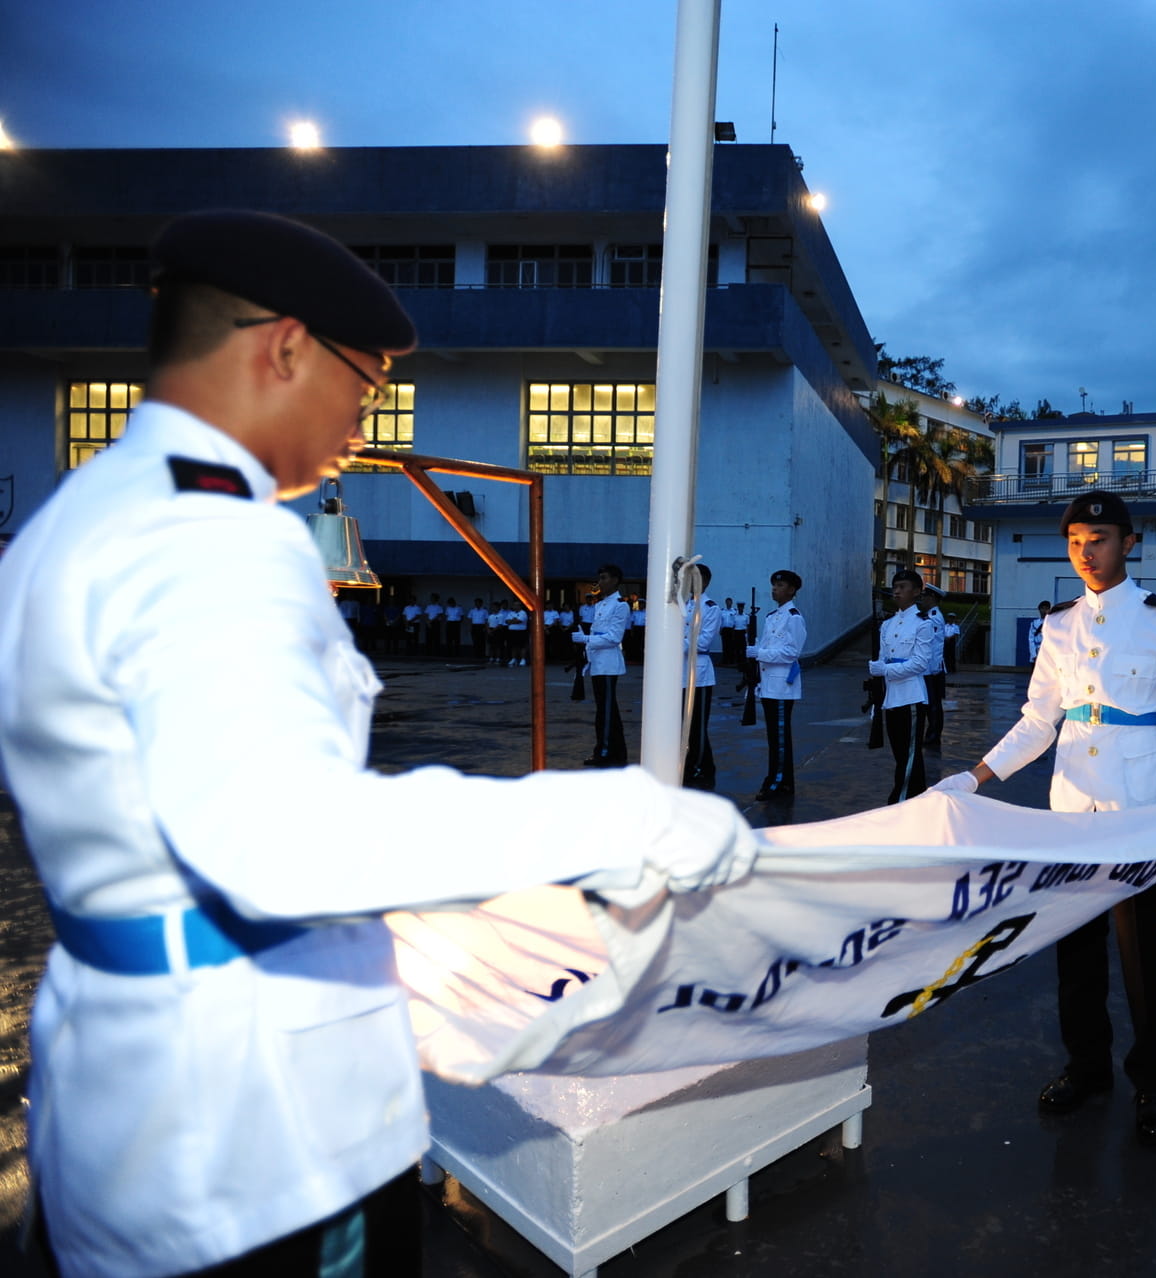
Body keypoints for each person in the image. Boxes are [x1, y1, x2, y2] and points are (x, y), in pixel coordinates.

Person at [0, 209, 757, 1278]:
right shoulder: (212, 539)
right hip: (260, 1130)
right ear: (284, 348)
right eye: (366, 384)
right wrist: (623, 817)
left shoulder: (77, 518)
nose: (364, 423)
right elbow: (288, 840)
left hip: (134, 1085)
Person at [932, 490, 1156, 1146]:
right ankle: (1087, 1066)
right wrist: (974, 777)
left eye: (1097, 540)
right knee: (1076, 947)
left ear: (1129, 543)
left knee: (1144, 954)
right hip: (1074, 810)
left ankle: (1153, 1082)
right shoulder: (1059, 625)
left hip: (1141, 808)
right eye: (1075, 542)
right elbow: (1038, 721)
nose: (1085, 553)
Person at [872, 569, 938, 803]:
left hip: (911, 695)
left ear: (917, 591)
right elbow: (883, 657)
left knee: (909, 754)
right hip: (891, 696)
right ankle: (916, 797)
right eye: (895, 587)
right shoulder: (887, 624)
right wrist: (878, 667)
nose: (897, 591)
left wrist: (885, 670)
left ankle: (902, 798)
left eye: (902, 587)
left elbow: (920, 663)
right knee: (900, 753)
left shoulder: (923, 624)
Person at [750, 569, 808, 802]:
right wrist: (756, 652)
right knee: (774, 738)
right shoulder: (771, 616)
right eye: (774, 585)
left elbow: (792, 652)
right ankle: (783, 782)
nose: (775, 589)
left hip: (782, 686)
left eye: (780, 585)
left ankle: (776, 782)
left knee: (780, 739)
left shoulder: (794, 617)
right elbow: (767, 647)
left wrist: (760, 653)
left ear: (792, 590)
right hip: (768, 684)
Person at [573, 564, 631, 766]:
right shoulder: (600, 604)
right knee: (607, 709)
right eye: (600, 578)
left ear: (615, 580)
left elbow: (614, 637)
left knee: (605, 712)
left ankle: (605, 752)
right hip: (597, 662)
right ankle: (617, 752)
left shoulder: (620, 605)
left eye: (604, 578)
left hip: (608, 663)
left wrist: (586, 639)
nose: (600, 582)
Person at [683, 565, 722, 789]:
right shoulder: (684, 605)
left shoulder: (710, 608)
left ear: (705, 582)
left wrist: (675, 643)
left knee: (697, 725)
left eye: (695, 579)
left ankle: (697, 767)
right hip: (680, 671)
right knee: (685, 725)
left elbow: (703, 642)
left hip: (699, 673)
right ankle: (704, 765)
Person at [917, 584, 949, 752]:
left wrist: (933, 669)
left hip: (932, 669)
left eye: (925, 596)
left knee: (933, 705)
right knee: (930, 704)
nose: (922, 599)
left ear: (933, 598)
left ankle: (933, 736)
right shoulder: (930, 616)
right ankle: (931, 735)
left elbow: (935, 646)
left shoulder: (934, 617)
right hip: (930, 669)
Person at [1029, 600, 1051, 665]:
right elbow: (1031, 640)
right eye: (1042, 608)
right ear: (1039, 610)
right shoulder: (1034, 623)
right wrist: (1034, 655)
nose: (1044, 610)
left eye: (1046, 608)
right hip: (1036, 651)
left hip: (1047, 653)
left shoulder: (1051, 623)